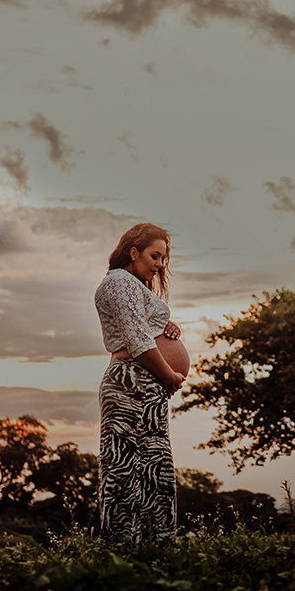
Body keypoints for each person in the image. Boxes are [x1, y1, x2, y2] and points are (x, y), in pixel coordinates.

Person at [94, 222, 190, 542]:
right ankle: (121, 553)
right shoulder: (119, 282)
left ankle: (153, 552)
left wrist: (166, 324)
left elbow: (141, 324)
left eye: (163, 258)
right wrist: (169, 376)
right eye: (155, 255)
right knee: (124, 472)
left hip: (146, 390)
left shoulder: (134, 287)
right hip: (129, 385)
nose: (160, 264)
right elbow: (136, 341)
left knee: (153, 472)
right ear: (133, 252)